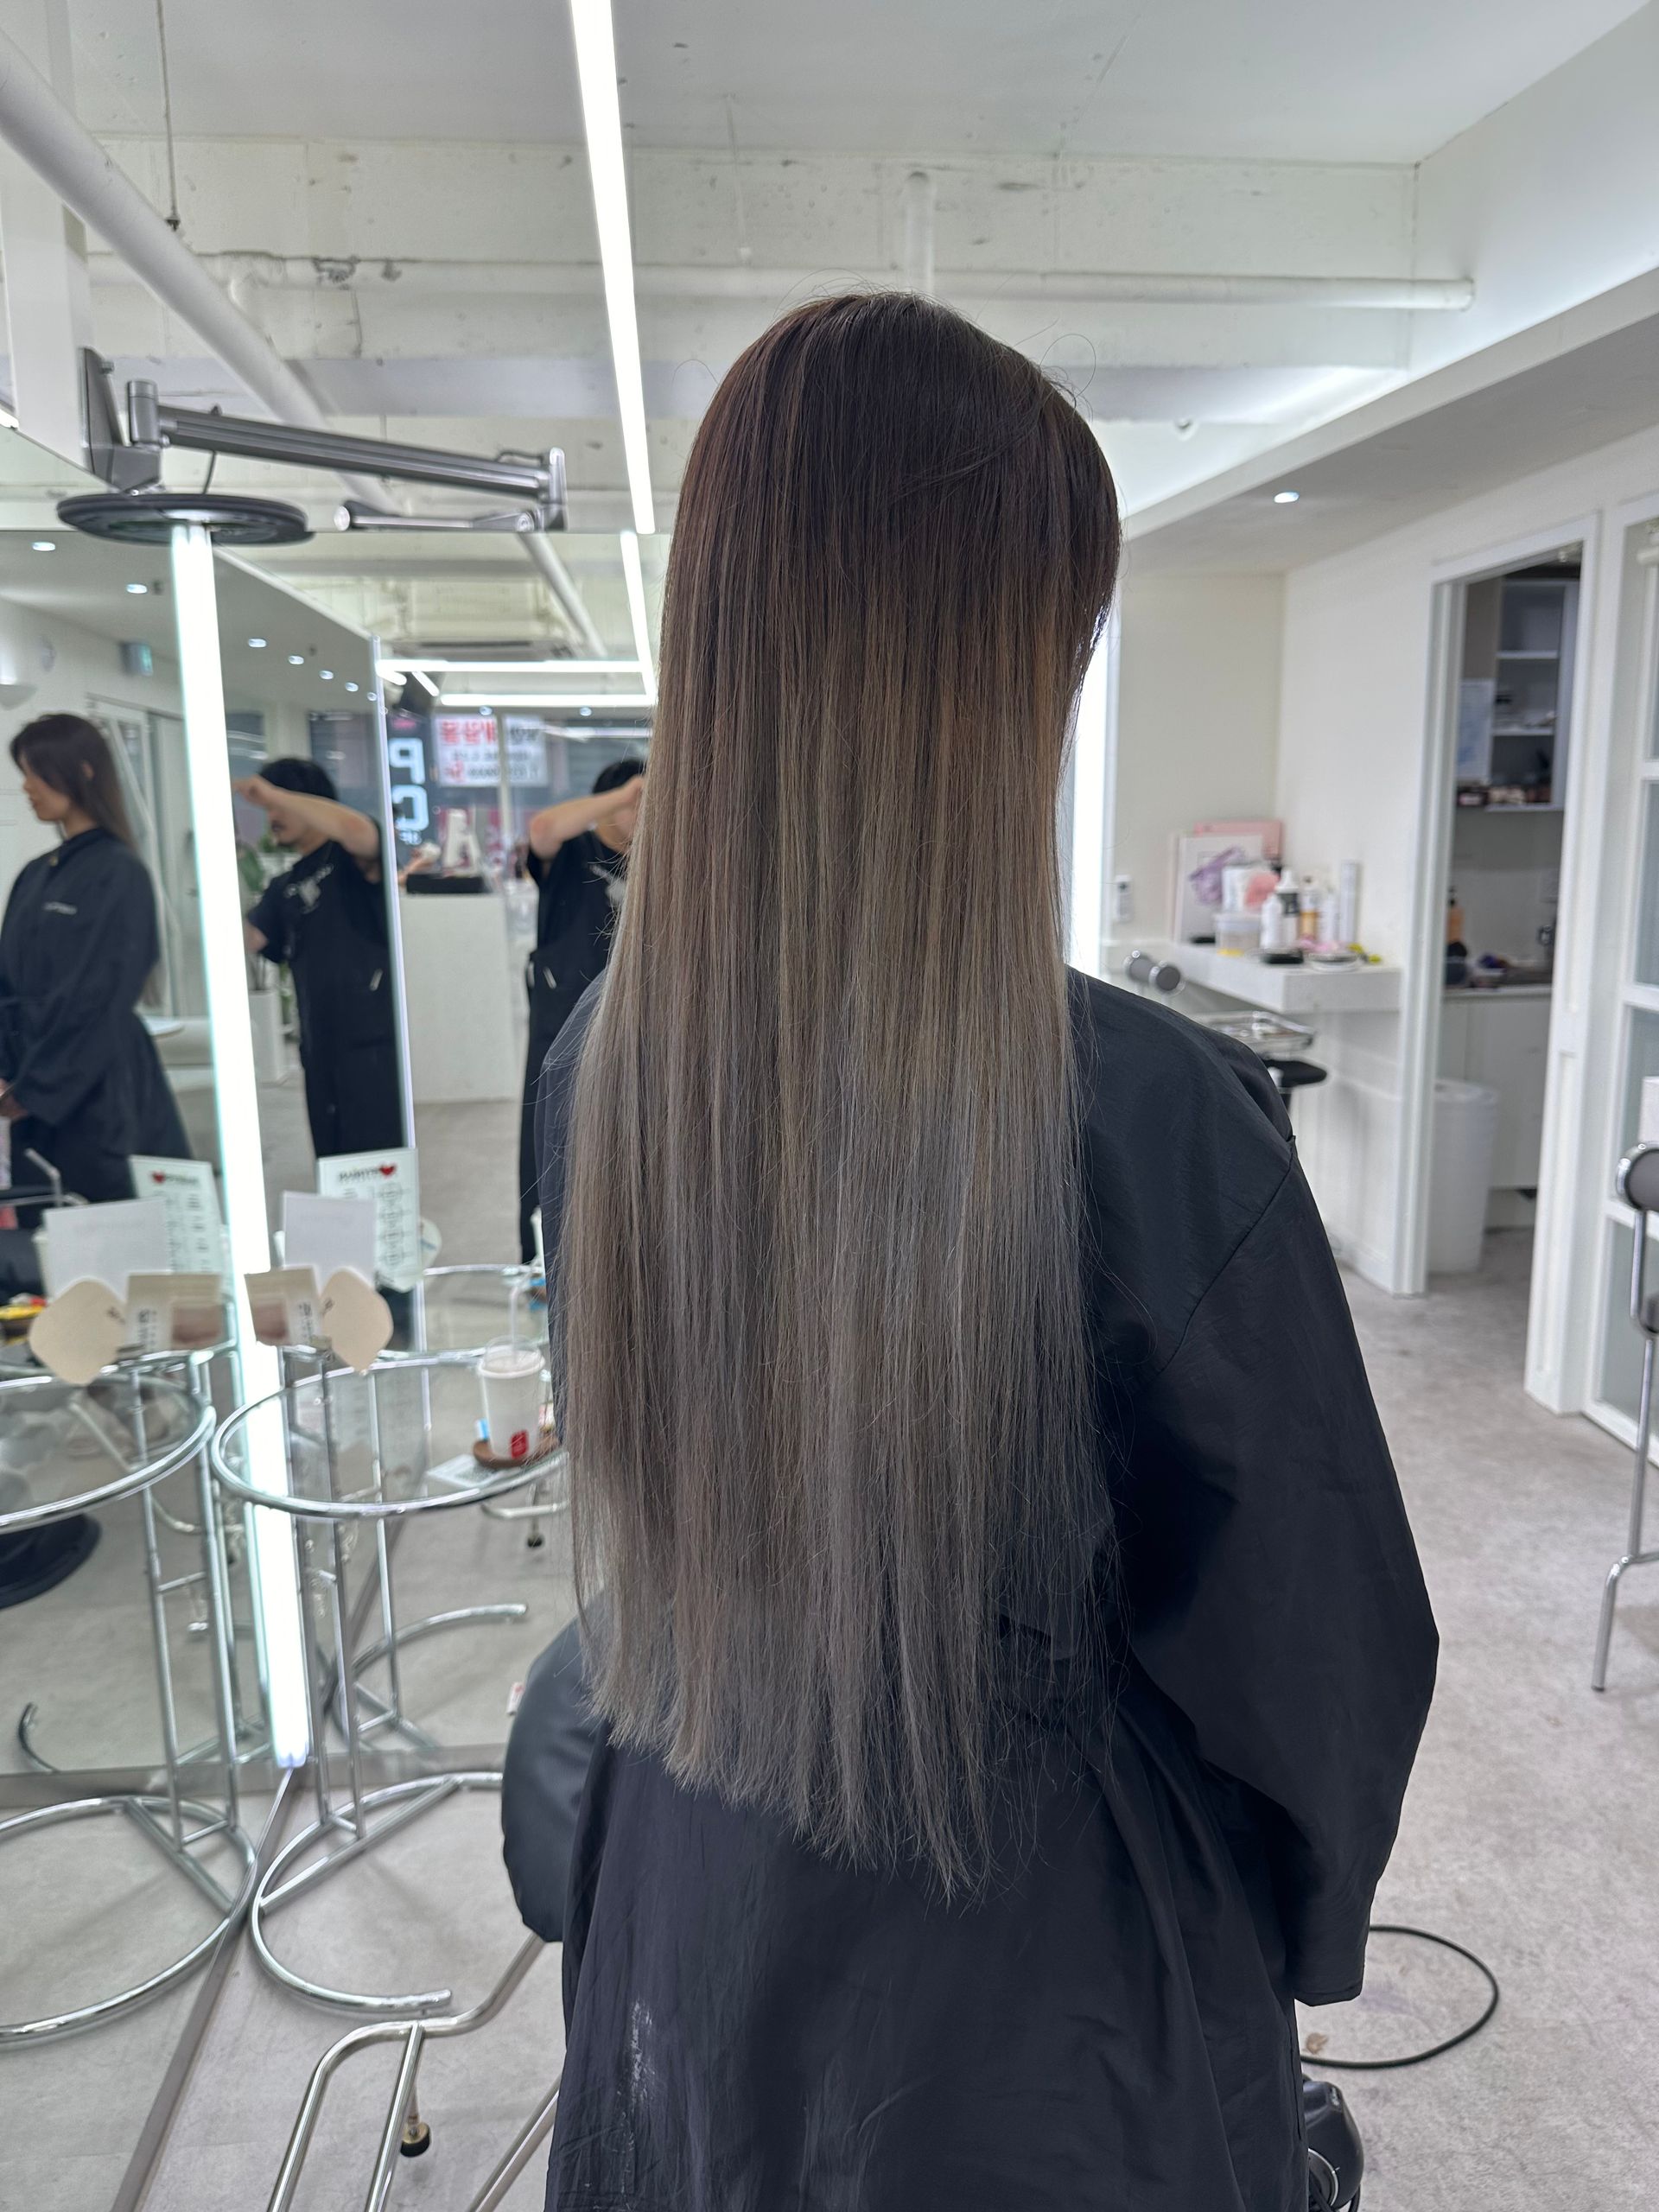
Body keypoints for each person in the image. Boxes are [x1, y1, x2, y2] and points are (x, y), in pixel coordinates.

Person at [535, 294, 1437, 2212]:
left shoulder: (604, 1065)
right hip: (1036, 2003)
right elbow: (1316, 1664)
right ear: (990, 678)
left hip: (691, 1894)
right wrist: (1267, 1934)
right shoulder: (1149, 1114)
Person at [0, 713, 189, 1608]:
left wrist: (35, 1087)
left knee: (130, 1247)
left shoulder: (118, 874)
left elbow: (97, 995)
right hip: (34, 1103)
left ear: (77, 771)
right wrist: (10, 1081)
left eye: (35, 773)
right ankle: (95, 1381)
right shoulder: (35, 878)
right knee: (55, 1253)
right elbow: (10, 990)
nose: (27, 789)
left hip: (102, 1096)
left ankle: (152, 1396)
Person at [238, 760, 404, 1162]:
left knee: (375, 1158)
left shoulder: (350, 857)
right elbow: (252, 939)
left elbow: (360, 832)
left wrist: (273, 793)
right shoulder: (285, 885)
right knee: (332, 1157)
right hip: (318, 1042)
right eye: (268, 809)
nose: (272, 817)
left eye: (279, 806)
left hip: (371, 1044)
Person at [516, 757, 644, 1262]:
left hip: (630, 1031)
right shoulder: (570, 855)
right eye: (639, 805)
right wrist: (627, 792)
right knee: (551, 1140)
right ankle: (541, 1264)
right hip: (561, 1025)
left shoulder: (654, 865)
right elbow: (542, 828)